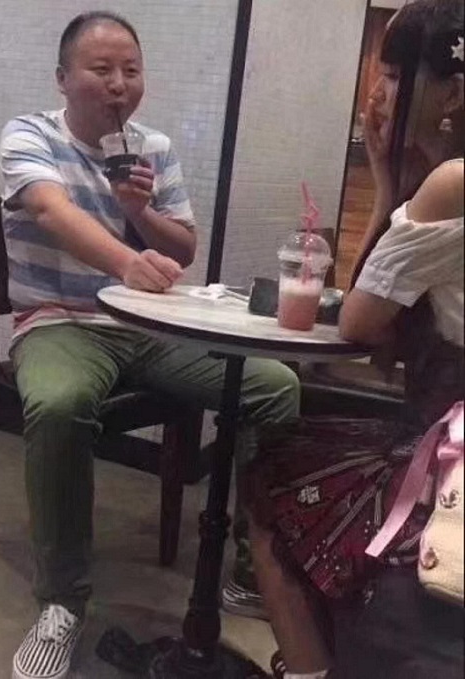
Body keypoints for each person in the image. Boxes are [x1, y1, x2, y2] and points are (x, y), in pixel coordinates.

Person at [1, 12, 300, 679]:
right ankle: (61, 600)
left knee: (276, 386)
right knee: (58, 403)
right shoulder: (30, 134)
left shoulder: (153, 147)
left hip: (148, 327)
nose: (119, 84)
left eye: (131, 70)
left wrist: (137, 211)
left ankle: (252, 570)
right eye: (101, 69)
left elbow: (184, 249)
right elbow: (49, 209)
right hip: (60, 322)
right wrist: (124, 260)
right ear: (63, 77)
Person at [243, 1, 464, 678]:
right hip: (435, 423)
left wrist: (387, 183)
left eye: (395, 75)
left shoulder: (451, 182)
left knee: (274, 477)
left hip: (448, 447)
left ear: (453, 93)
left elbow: (359, 324)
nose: (379, 92)